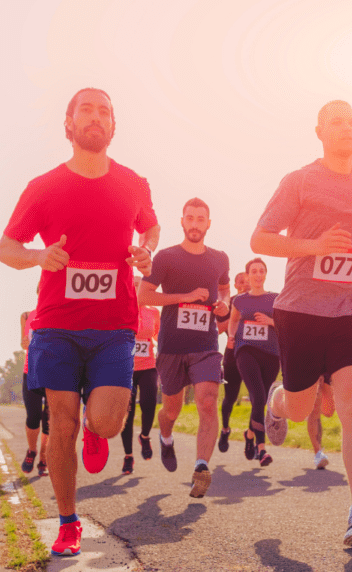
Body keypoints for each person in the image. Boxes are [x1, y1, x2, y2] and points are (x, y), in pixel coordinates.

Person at [0, 87, 159, 557]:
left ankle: (98, 427)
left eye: (104, 110)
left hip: (114, 325)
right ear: (68, 125)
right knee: (60, 426)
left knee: (106, 423)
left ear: (113, 126)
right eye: (85, 110)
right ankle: (68, 523)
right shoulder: (43, 186)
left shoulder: (132, 182)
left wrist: (145, 248)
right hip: (57, 326)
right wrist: (38, 256)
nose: (95, 117)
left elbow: (149, 225)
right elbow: (6, 248)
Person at [251, 100, 352, 548]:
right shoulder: (299, 181)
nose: (346, 128)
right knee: (300, 408)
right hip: (300, 310)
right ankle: (275, 406)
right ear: (319, 131)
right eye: (337, 121)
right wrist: (314, 246)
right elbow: (261, 238)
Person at [139, 198, 230, 498]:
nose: (195, 224)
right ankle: (165, 436)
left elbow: (225, 288)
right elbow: (143, 296)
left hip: (205, 344)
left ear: (208, 224)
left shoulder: (219, 259)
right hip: (172, 346)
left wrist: (223, 305)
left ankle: (201, 467)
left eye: (200, 219)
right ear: (182, 221)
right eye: (190, 218)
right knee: (172, 409)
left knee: (207, 400)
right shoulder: (166, 257)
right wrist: (185, 296)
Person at [226, 258, 280, 467]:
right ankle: (261, 448)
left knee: (261, 401)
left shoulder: (275, 299)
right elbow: (233, 320)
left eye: (261, 271)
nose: (257, 275)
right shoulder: (239, 300)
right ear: (248, 276)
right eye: (253, 271)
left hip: (270, 353)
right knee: (257, 396)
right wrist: (231, 336)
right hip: (245, 350)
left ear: (265, 274)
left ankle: (249, 434)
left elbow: (286, 324)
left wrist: (271, 322)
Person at [119, 276, 160, 474]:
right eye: (132, 285)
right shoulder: (120, 308)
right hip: (125, 367)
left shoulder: (153, 312)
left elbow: (159, 337)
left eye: (139, 285)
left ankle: (144, 436)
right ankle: (128, 456)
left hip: (149, 365)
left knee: (149, 402)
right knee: (127, 412)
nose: (136, 288)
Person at [217, 271, 249, 453]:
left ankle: (253, 435)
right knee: (230, 397)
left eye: (248, 281)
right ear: (236, 285)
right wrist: (235, 317)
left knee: (258, 395)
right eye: (241, 282)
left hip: (254, 354)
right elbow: (219, 328)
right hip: (233, 353)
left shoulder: (259, 301)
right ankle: (225, 429)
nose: (245, 284)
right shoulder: (229, 303)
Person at [20, 304, 49, 477]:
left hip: (54, 372)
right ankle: (32, 450)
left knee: (49, 418)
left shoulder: (60, 313)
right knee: (33, 416)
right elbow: (24, 342)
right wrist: (25, 343)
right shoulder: (26, 315)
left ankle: (44, 458)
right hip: (31, 371)